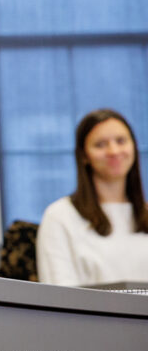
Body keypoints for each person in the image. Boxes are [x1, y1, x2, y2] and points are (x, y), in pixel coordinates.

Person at [37, 109, 148, 286]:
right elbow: (60, 298)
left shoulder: (145, 213)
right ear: (84, 156)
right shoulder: (59, 217)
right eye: (100, 144)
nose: (113, 151)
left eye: (121, 141)